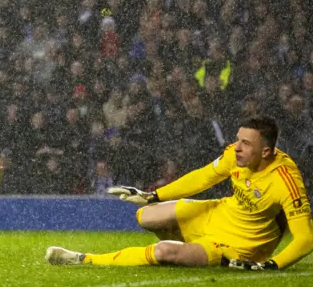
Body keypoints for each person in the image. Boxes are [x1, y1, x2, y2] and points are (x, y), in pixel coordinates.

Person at [46, 116, 313, 270]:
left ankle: (82, 258)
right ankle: (189, 248)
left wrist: (273, 264)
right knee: (145, 216)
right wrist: (154, 195)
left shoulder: (285, 180)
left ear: (266, 151)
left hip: (242, 245)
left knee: (163, 252)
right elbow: (204, 177)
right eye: (238, 139)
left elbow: (305, 239)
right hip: (219, 213)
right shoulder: (235, 154)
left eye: (246, 143)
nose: (237, 147)